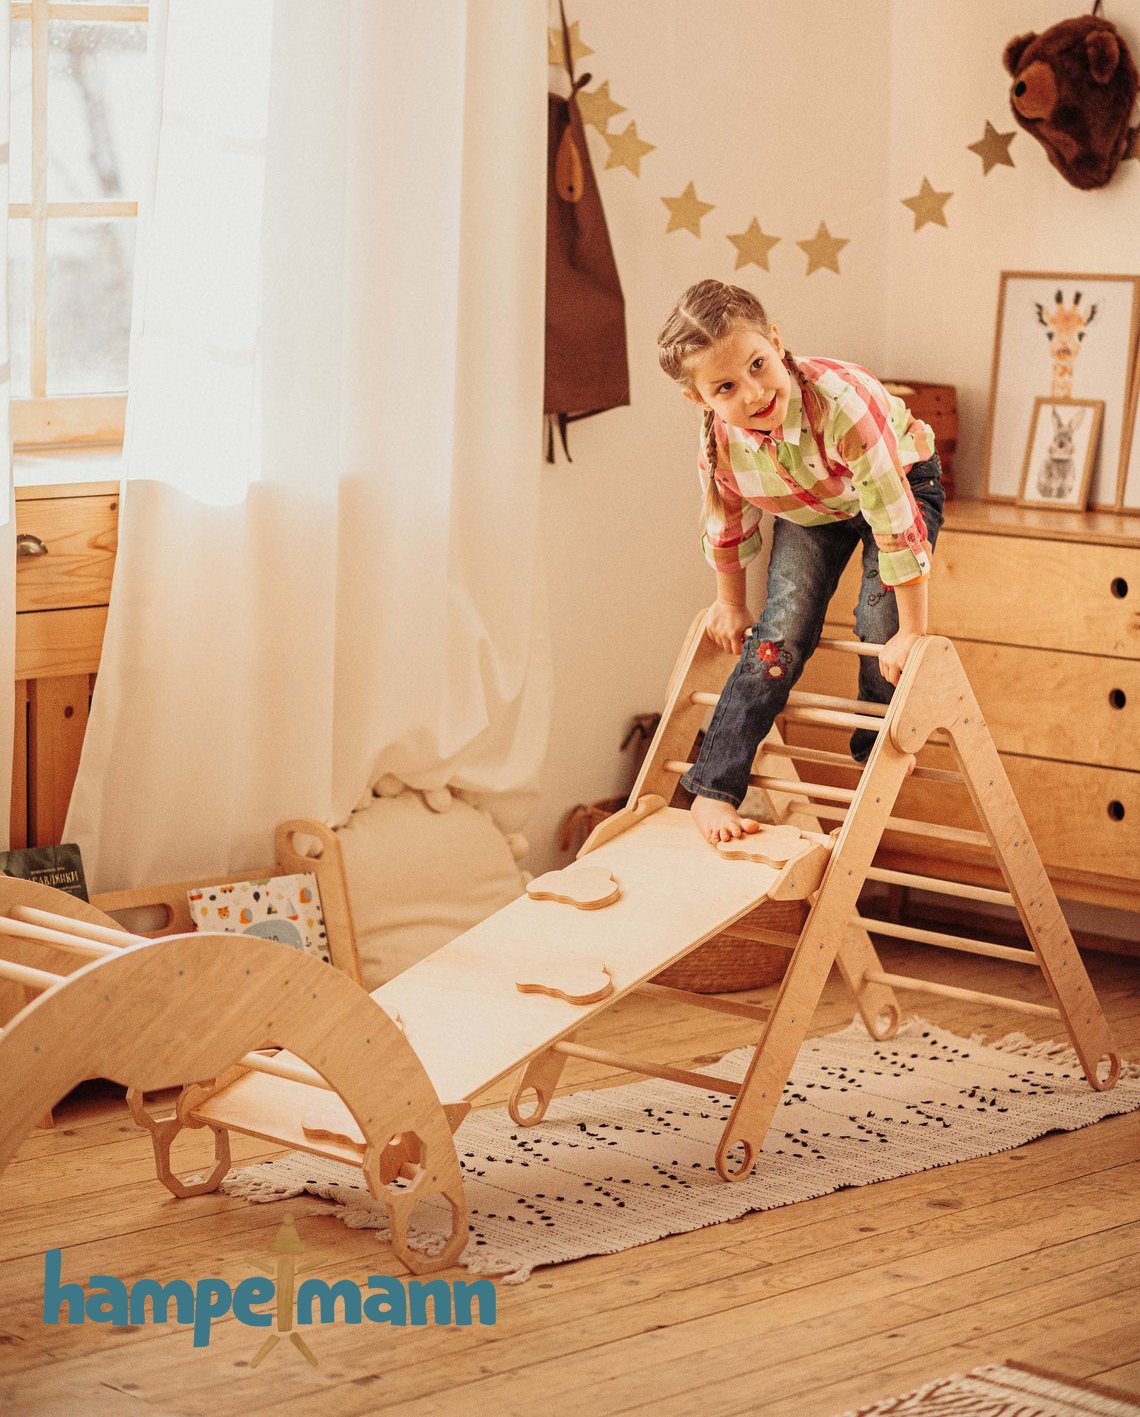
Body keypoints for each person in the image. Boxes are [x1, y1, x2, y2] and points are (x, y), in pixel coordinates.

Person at [657, 278, 945, 845]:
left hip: (897, 486)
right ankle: (713, 787)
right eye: (726, 386)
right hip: (810, 509)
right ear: (700, 399)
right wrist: (729, 603)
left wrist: (913, 631)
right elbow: (728, 520)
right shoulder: (721, 442)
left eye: (759, 365)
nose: (754, 393)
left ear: (776, 340)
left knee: (878, 622)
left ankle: (877, 745)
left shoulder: (843, 405)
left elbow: (893, 523)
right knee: (779, 636)